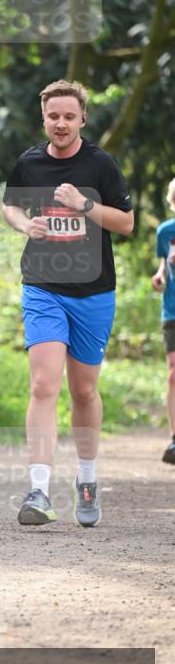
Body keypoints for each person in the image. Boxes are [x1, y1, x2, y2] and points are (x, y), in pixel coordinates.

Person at [2, 80, 133, 528]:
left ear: (82, 120)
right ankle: (38, 488)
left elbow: (127, 222)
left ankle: (87, 476)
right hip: (42, 286)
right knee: (43, 385)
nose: (60, 123)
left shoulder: (100, 165)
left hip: (94, 292)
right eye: (53, 116)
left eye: (69, 117)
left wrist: (85, 205)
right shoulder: (30, 163)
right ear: (44, 118)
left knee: (84, 391)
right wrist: (25, 226)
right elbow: (10, 207)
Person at [151, 177, 175, 465]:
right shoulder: (165, 232)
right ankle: (174, 438)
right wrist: (159, 277)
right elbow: (163, 266)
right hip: (172, 310)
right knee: (173, 372)